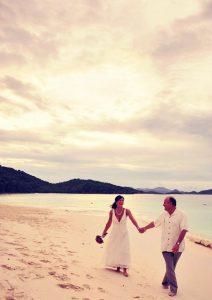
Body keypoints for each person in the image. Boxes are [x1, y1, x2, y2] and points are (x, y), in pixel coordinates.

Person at [139, 196, 188, 297]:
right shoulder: (164, 214)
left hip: (177, 247)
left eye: (165, 203)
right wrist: (145, 228)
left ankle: (165, 282)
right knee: (170, 267)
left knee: (171, 267)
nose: (163, 205)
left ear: (171, 204)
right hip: (165, 246)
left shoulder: (182, 215)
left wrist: (177, 244)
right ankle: (174, 289)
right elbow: (155, 223)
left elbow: (184, 230)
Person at [101, 195, 140, 277]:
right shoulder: (111, 211)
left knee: (124, 250)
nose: (122, 202)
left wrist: (138, 227)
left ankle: (125, 269)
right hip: (114, 233)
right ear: (116, 201)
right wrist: (104, 231)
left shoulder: (127, 211)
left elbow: (133, 220)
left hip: (123, 233)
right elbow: (109, 223)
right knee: (115, 248)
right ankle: (118, 266)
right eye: (120, 200)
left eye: (123, 200)